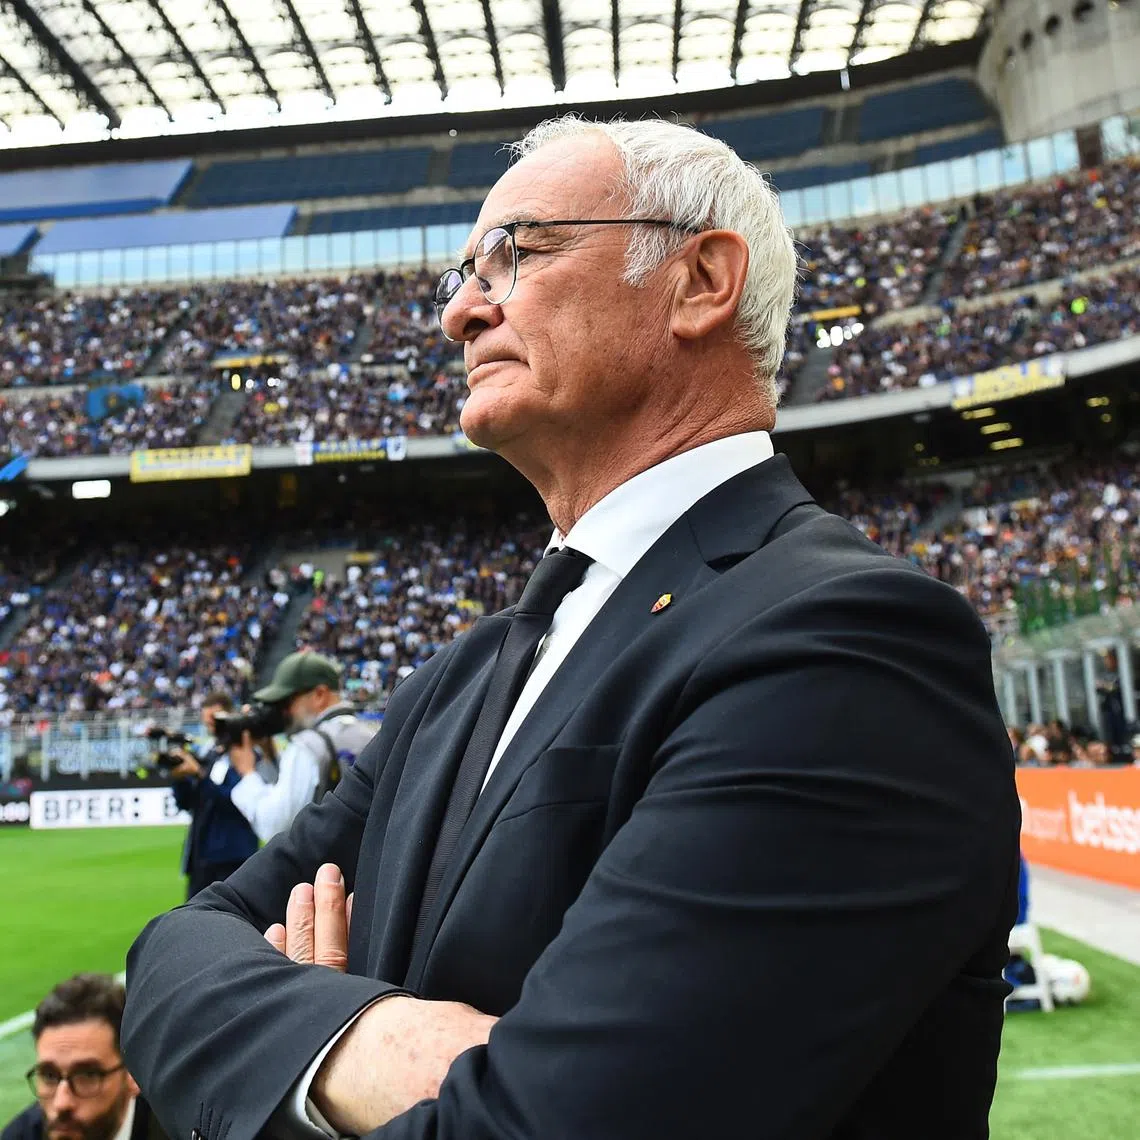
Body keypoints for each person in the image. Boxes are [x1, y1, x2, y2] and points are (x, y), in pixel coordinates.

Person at [122, 117, 1020, 1140]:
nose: (460, 312)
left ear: (698, 282)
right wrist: (362, 1045)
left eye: (517, 253)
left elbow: (565, 1124)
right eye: (464, 271)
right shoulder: (461, 675)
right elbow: (171, 956)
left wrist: (285, 1062)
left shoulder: (849, 643)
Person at [226, 652, 376, 843]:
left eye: (288, 702)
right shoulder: (371, 735)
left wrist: (247, 772)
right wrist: (270, 754)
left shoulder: (308, 745)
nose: (284, 712)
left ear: (319, 695)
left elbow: (274, 826)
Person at [3, 974, 162, 1140]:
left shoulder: (178, 1128)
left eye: (87, 1075)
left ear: (133, 1075)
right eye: (49, 1076)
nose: (61, 1103)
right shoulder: (19, 1136)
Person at [167, 692, 260, 900]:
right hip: (202, 855)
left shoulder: (246, 755)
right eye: (208, 724)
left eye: (215, 722)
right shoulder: (212, 753)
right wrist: (179, 777)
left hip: (233, 857)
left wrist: (199, 775)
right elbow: (189, 802)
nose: (212, 729)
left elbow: (239, 802)